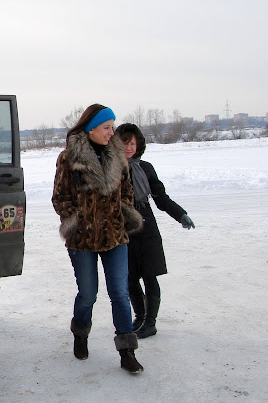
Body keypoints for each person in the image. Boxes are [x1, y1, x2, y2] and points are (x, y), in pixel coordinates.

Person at [52, 104, 145, 373]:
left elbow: (126, 191)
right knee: (88, 294)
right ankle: (81, 333)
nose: (111, 132)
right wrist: (75, 221)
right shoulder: (68, 158)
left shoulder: (118, 156)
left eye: (112, 127)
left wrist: (123, 214)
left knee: (119, 292)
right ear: (91, 128)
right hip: (82, 240)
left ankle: (127, 351)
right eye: (106, 127)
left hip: (115, 235)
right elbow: (60, 198)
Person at [115, 123, 195, 338]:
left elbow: (161, 198)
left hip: (147, 226)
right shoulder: (111, 168)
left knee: (150, 276)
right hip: (123, 228)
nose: (129, 147)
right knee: (130, 278)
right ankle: (139, 317)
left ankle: (150, 322)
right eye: (125, 143)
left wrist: (180, 214)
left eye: (133, 143)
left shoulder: (146, 168)